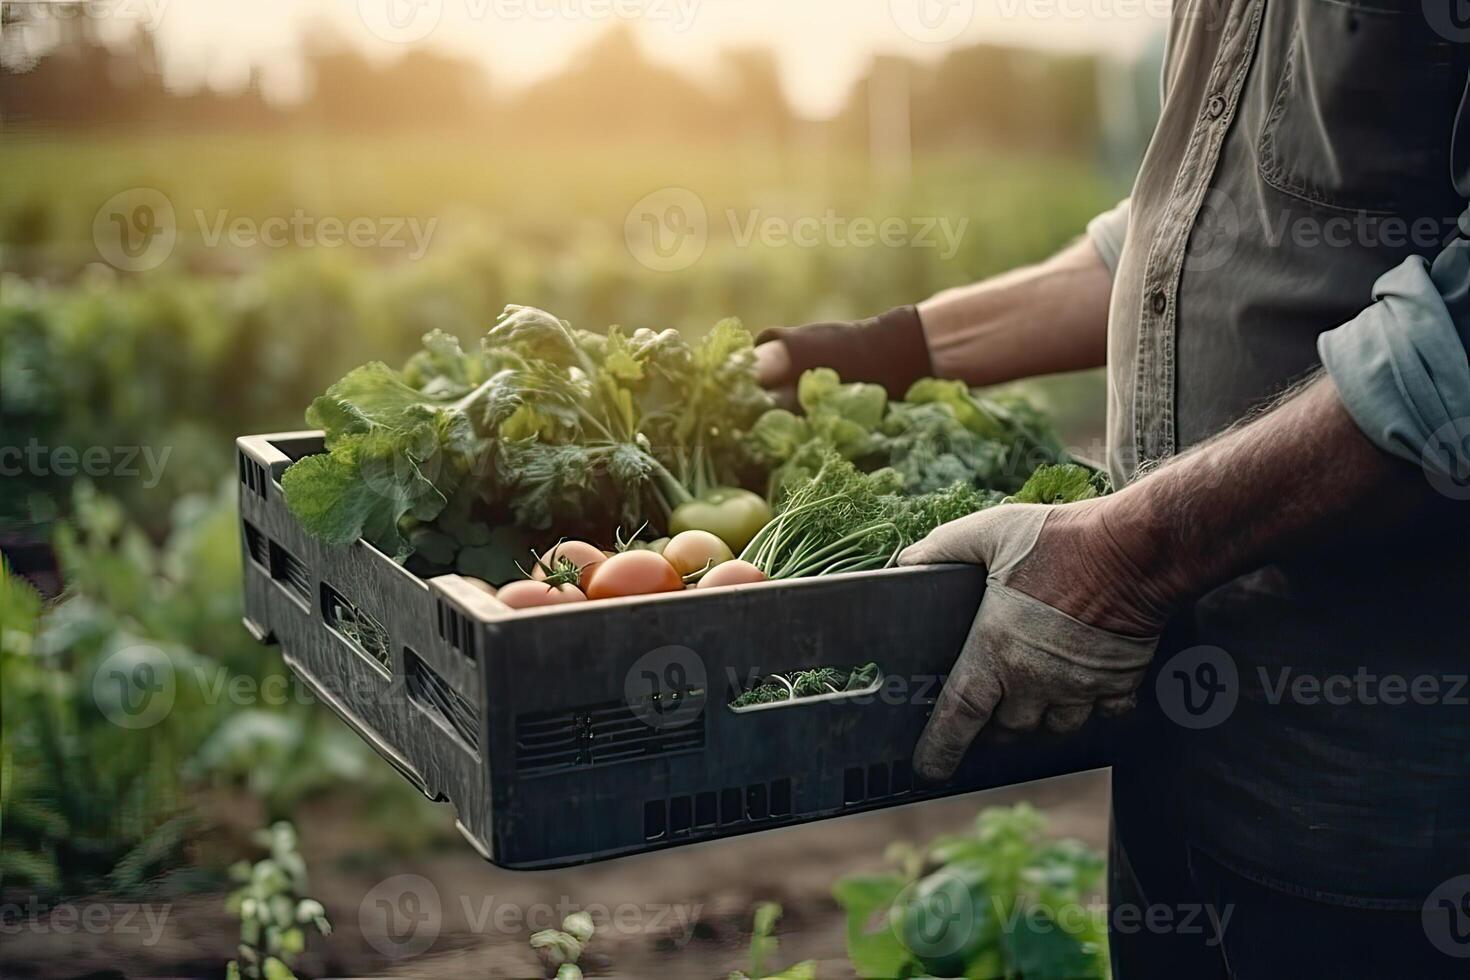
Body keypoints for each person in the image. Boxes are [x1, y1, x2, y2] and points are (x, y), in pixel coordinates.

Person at [754, 7, 1470, 976]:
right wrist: (875, 351)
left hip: (1378, 807)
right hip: (1177, 744)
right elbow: (1198, 228)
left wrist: (1131, 554)